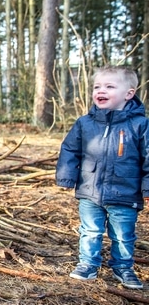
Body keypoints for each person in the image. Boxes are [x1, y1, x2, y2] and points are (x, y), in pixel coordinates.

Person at [56, 66, 148, 290]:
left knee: (124, 235)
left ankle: (123, 267)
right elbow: (70, 149)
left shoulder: (140, 125)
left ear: (129, 93)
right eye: (97, 86)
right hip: (90, 190)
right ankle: (87, 264)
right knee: (89, 230)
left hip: (125, 193)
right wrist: (66, 177)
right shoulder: (85, 123)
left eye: (109, 86)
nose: (101, 91)